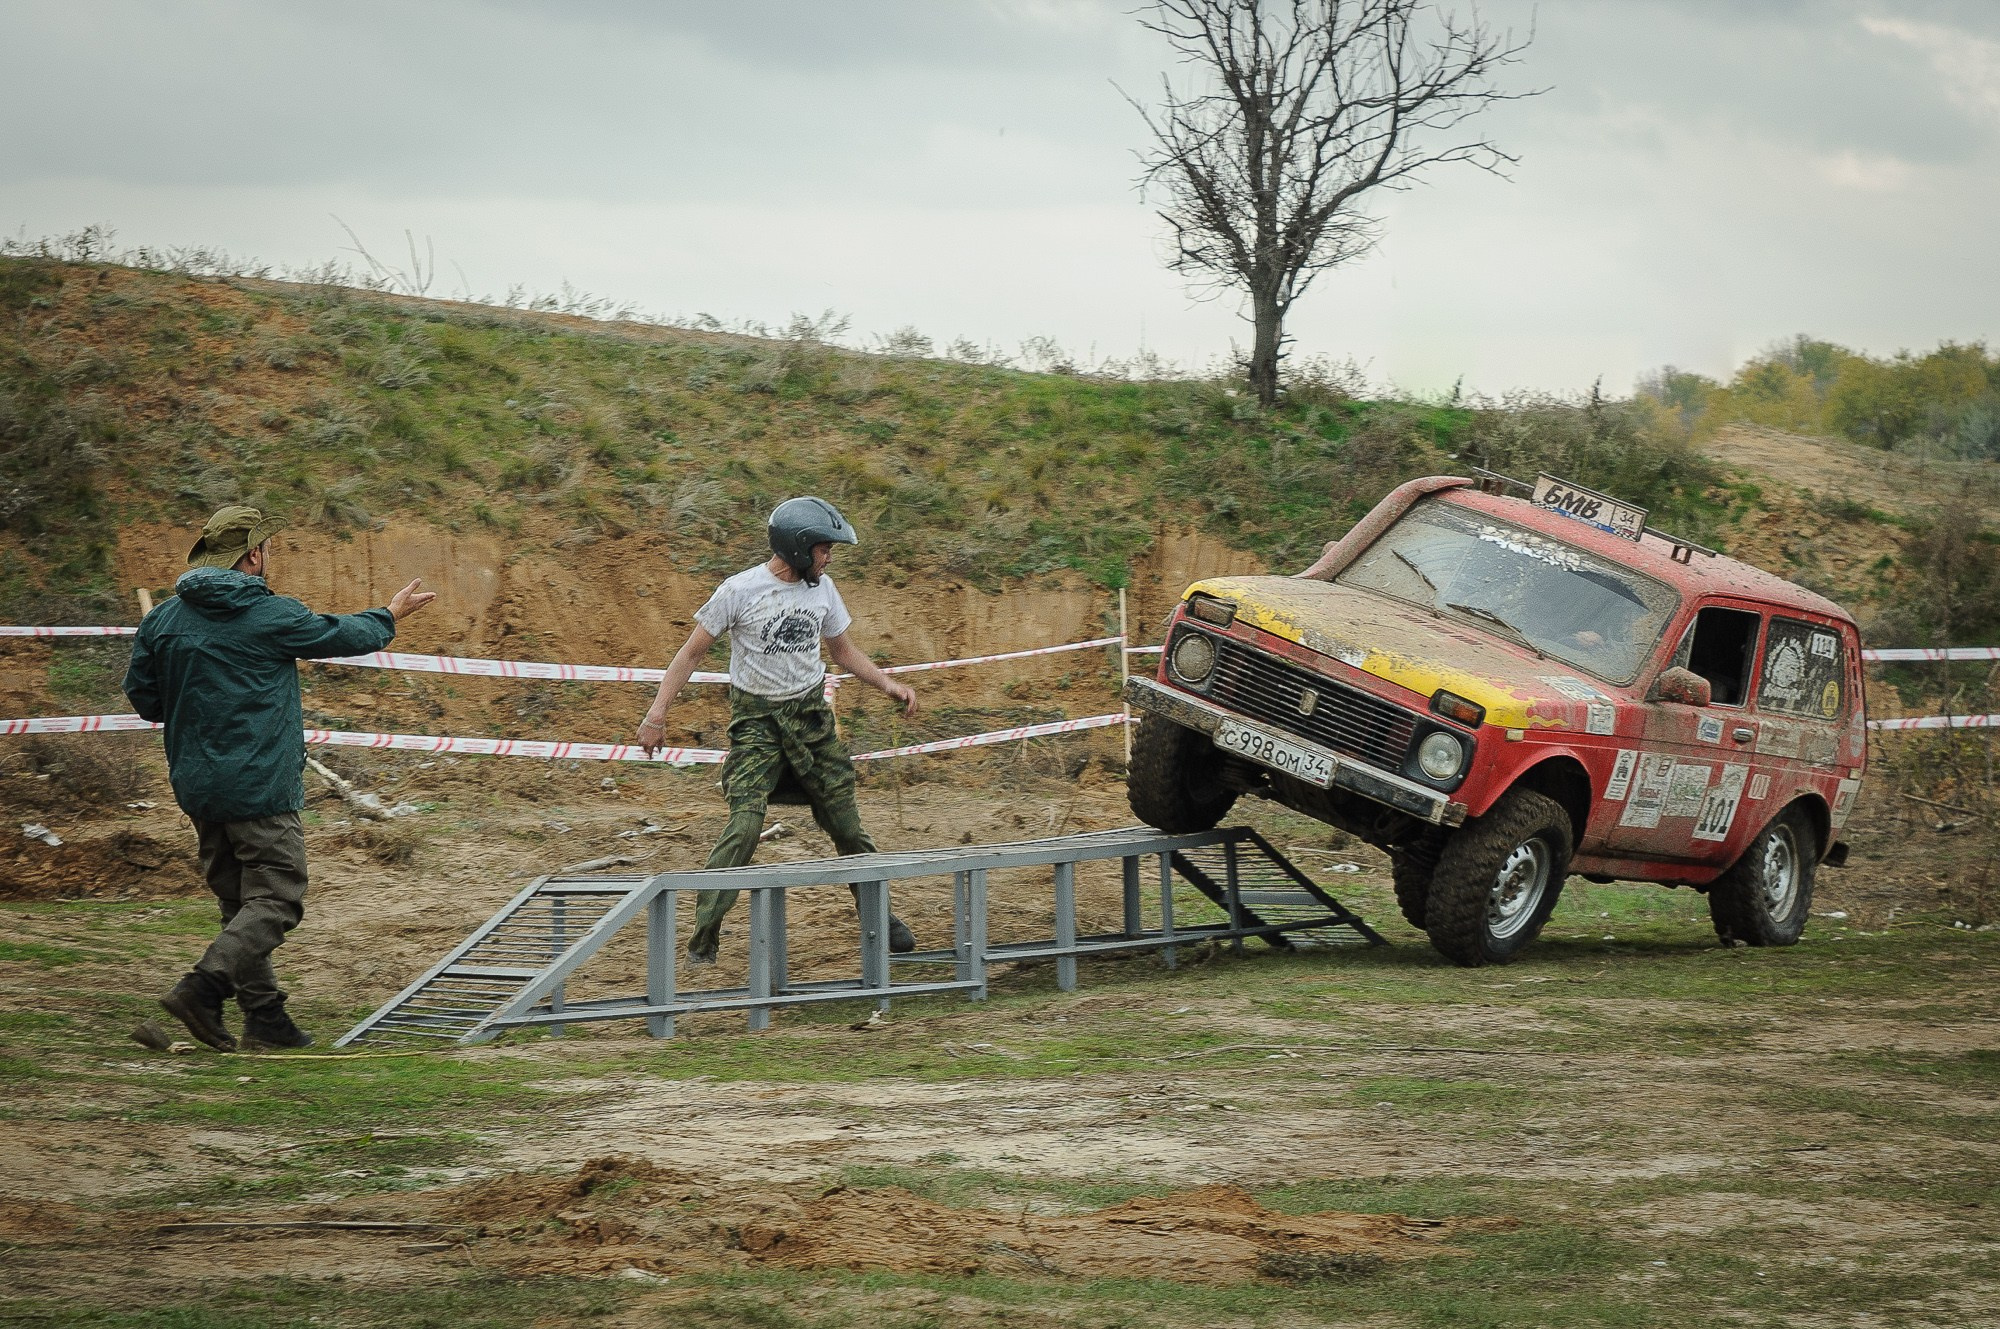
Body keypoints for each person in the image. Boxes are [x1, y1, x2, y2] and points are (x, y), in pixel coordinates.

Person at [122, 506, 436, 1052]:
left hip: (197, 784)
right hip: (260, 785)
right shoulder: (268, 615)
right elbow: (339, 634)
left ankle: (265, 1021)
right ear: (253, 555)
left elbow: (146, 700)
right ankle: (201, 990)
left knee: (241, 903)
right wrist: (389, 614)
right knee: (278, 898)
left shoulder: (163, 620)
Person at [637, 496, 919, 965]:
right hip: (757, 727)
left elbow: (843, 652)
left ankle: (882, 916)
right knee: (745, 824)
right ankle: (705, 932)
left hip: (811, 722)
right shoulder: (739, 591)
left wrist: (888, 685)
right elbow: (689, 655)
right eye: (823, 549)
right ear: (797, 547)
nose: (828, 558)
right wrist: (657, 715)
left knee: (847, 825)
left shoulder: (823, 590)